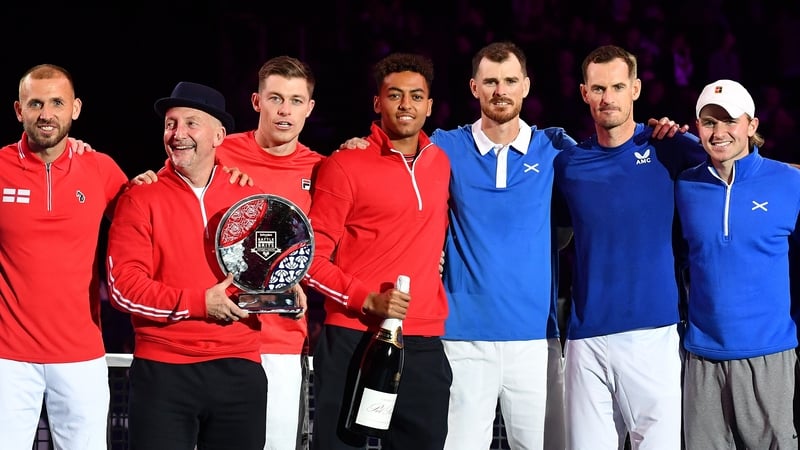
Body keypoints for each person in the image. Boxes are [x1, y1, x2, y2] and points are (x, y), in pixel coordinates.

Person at [339, 42, 682, 450]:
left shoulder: (557, 150)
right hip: (463, 341)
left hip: (537, 343)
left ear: (526, 86)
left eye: (509, 81)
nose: (500, 90)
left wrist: (655, 131)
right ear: (474, 87)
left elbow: (614, 153)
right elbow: (395, 148)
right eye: (490, 82)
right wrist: (361, 144)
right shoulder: (444, 148)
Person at [106, 81, 298, 450]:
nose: (178, 134)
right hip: (164, 371)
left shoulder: (249, 196)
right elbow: (123, 288)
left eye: (191, 123)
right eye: (171, 124)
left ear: (219, 135)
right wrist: (199, 303)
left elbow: (262, 269)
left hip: (240, 369)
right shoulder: (140, 198)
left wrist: (284, 288)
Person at [553, 44, 705, 449]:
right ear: (584, 92)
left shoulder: (669, 147)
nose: (608, 98)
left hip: (652, 334)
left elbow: (732, 160)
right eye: (599, 88)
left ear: (635, 89)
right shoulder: (568, 165)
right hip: (585, 338)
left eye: (618, 86)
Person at [304, 52, 452, 450]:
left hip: (422, 340)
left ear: (430, 105)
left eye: (416, 96)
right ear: (377, 102)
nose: (406, 105)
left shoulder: (442, 162)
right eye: (395, 95)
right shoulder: (345, 164)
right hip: (353, 337)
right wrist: (365, 298)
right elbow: (310, 260)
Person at [0, 63, 128, 450]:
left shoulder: (100, 168)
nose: (46, 114)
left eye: (57, 102)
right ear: (19, 111)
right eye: (36, 103)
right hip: (7, 358)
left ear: (75, 109)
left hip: (81, 357)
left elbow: (147, 225)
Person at [676, 79, 800, 449]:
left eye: (730, 121)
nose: (719, 132)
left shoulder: (789, 182)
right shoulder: (685, 185)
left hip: (770, 358)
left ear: (752, 125)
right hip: (702, 360)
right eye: (709, 123)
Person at [219, 55, 324, 450]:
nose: (285, 110)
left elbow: (335, 248)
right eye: (276, 98)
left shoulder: (323, 170)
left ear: (309, 108)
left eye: (296, 101)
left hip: (283, 343)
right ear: (256, 101)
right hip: (219, 338)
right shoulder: (218, 152)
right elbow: (166, 193)